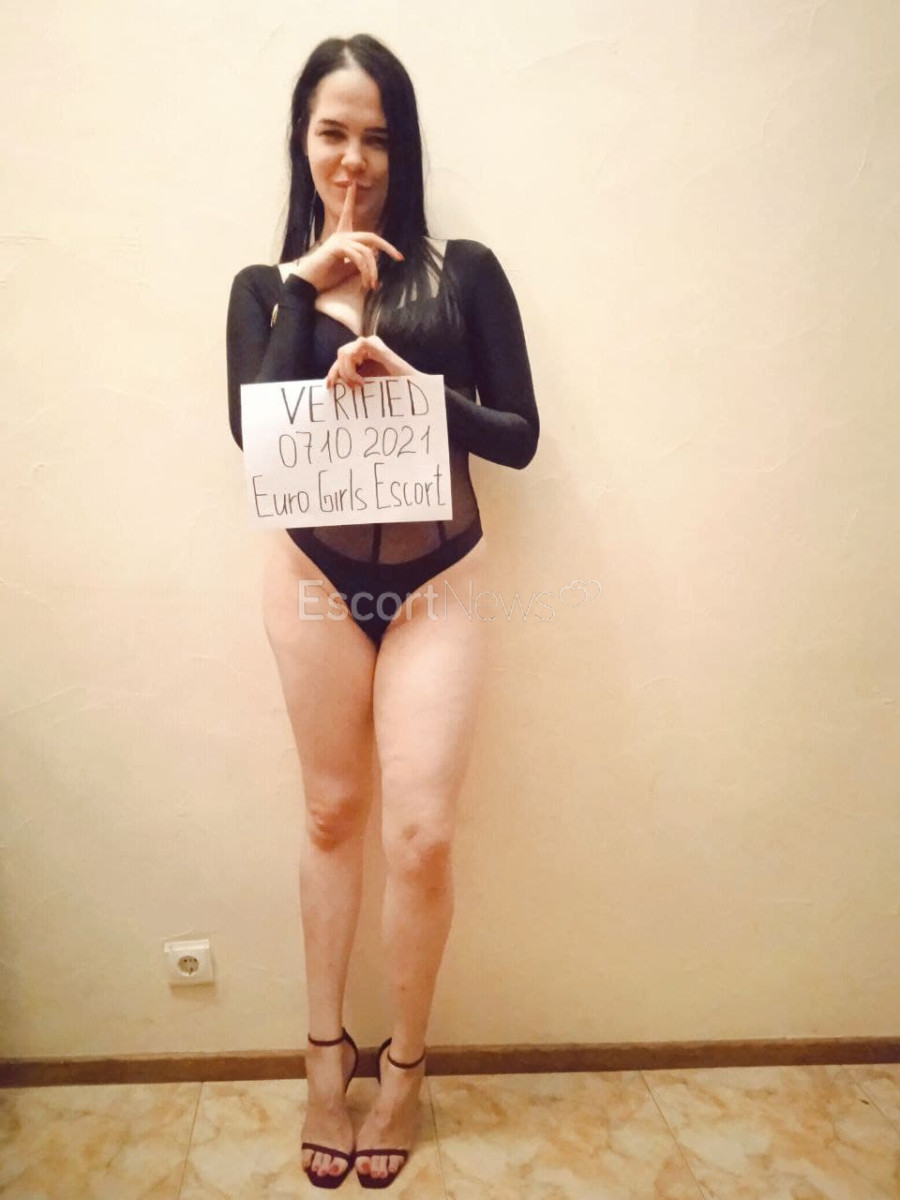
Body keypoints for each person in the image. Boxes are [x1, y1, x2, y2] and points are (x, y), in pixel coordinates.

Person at [225, 33, 539, 1189]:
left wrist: (418, 390)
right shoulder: (263, 289)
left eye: (375, 137)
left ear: (401, 149)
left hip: (436, 574)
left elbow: (520, 436)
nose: (352, 158)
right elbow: (252, 432)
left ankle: (404, 1068)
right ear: (303, 143)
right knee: (330, 814)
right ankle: (326, 1061)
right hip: (312, 576)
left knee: (421, 834)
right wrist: (305, 290)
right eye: (332, 133)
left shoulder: (464, 273)